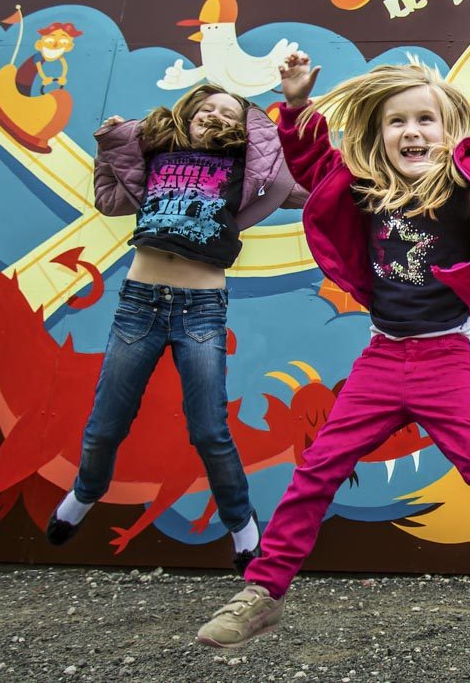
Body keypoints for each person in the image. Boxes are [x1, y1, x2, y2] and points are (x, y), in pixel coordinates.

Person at [196, 54, 470, 670]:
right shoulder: (366, 187)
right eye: (397, 122)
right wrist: (296, 104)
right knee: (318, 470)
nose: (413, 132)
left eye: (426, 119)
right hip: (380, 357)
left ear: (449, 131)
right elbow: (314, 161)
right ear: (379, 134)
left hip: (445, 359)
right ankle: (263, 592)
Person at [48, 84, 307, 573]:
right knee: (106, 426)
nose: (213, 115)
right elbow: (108, 198)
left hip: (201, 310)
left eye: (227, 114)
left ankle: (241, 526)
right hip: (138, 307)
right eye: (204, 108)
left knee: (209, 430)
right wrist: (110, 146)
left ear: (240, 128)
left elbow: (301, 184)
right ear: (185, 115)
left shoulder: (246, 172)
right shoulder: (158, 157)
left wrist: (253, 113)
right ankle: (86, 493)